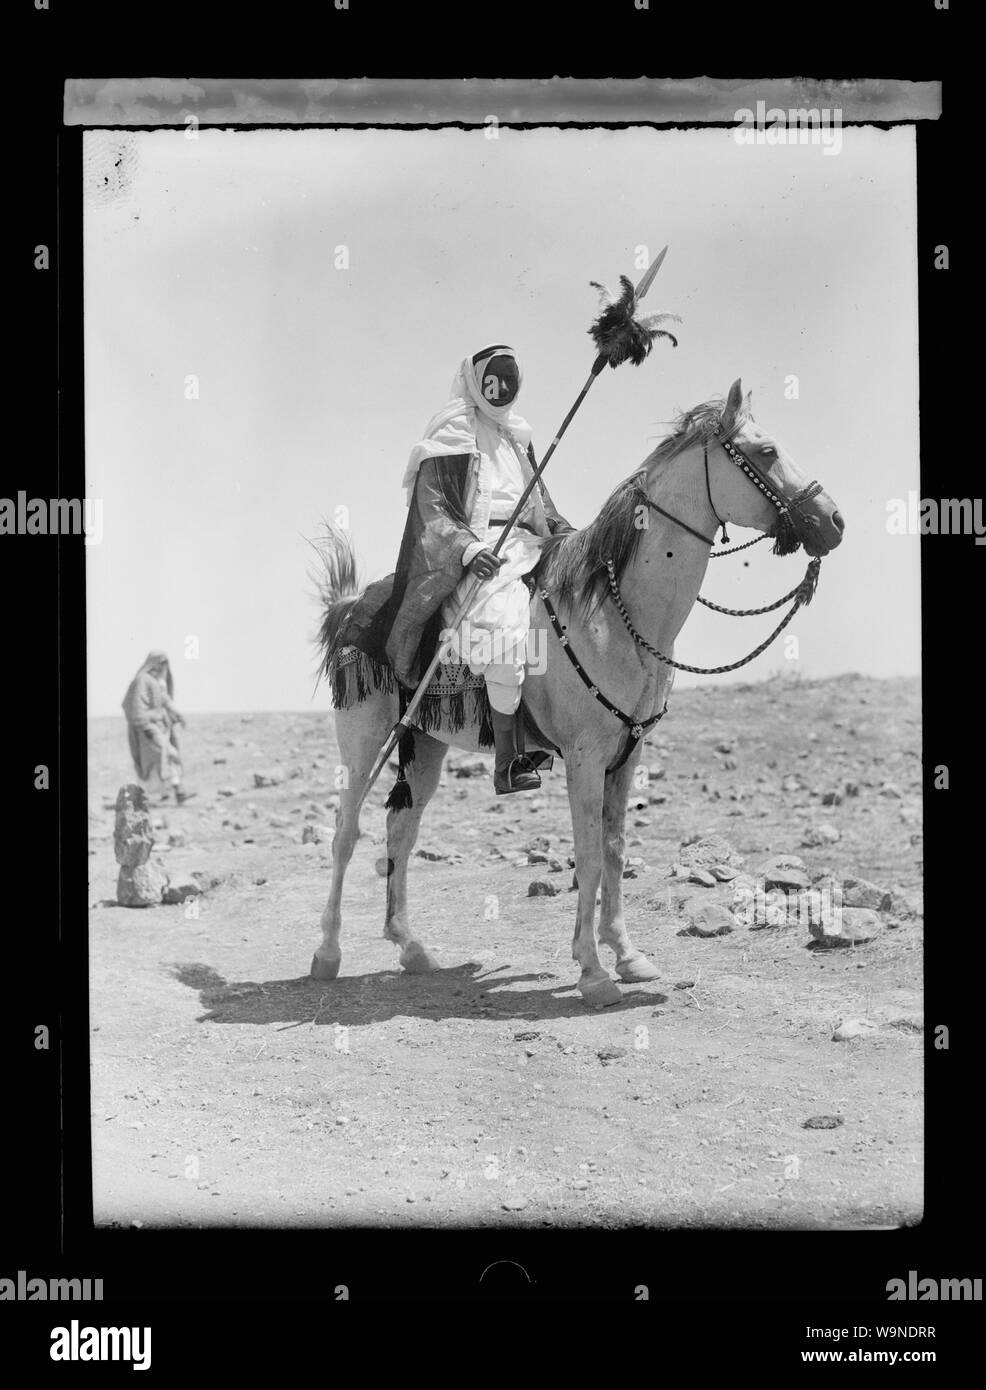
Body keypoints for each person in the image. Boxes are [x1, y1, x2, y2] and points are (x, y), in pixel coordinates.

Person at [385, 345, 575, 794]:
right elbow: (431, 511)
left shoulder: (517, 438)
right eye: (492, 380)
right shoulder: (452, 432)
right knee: (505, 630)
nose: (499, 389)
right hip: (479, 549)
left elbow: (542, 506)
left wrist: (572, 539)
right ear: (476, 380)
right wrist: (469, 550)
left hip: (531, 543)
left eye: (507, 382)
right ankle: (508, 762)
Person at [121, 651, 193, 803]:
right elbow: (138, 708)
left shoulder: (154, 681)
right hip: (148, 731)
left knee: (166, 759)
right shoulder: (143, 680)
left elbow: (165, 701)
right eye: (161, 663)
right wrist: (148, 728)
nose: (164, 667)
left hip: (158, 729)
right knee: (166, 756)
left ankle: (175, 792)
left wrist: (179, 716)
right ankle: (172, 793)